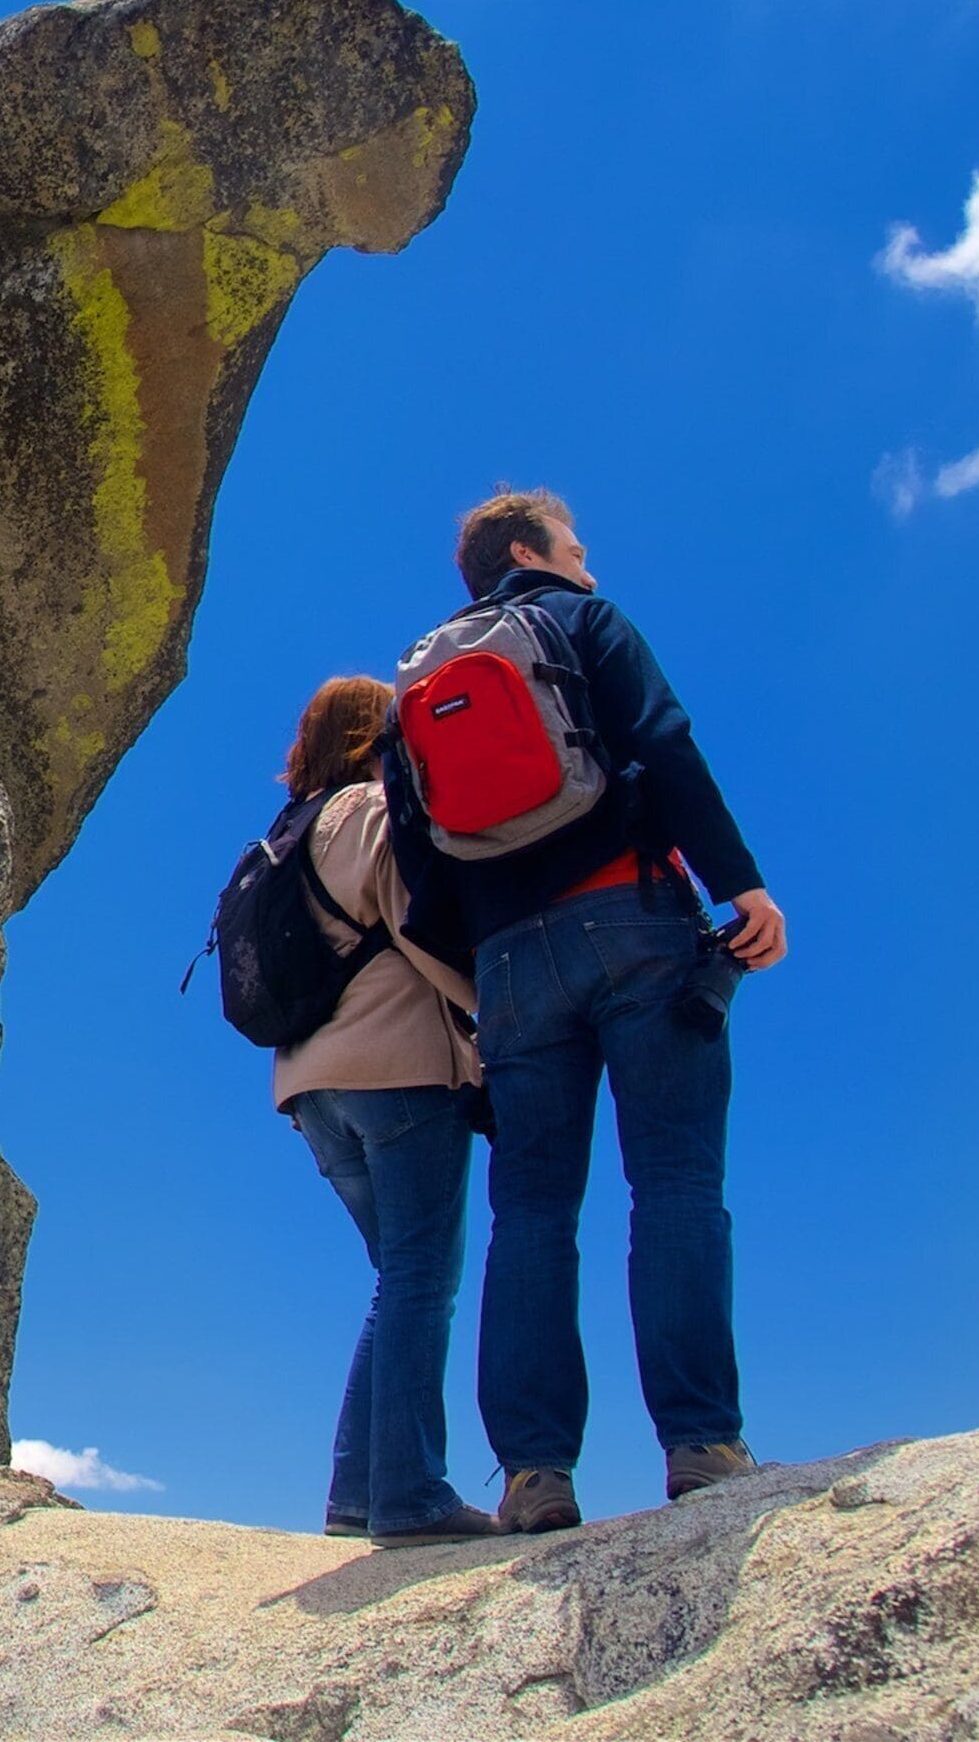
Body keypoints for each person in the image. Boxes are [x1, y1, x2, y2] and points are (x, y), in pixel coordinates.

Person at [389, 490, 788, 1536]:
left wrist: (489, 966)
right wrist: (740, 883)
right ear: (530, 552)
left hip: (513, 965)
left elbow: (418, 867)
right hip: (633, 918)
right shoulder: (585, 622)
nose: (591, 566)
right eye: (577, 547)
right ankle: (702, 1444)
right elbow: (667, 739)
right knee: (676, 1185)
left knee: (528, 1218)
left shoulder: (416, 683)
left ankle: (533, 1476)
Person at [270, 675, 499, 1546]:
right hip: (394, 1071)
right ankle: (409, 1495)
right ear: (379, 734)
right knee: (420, 1280)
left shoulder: (286, 831)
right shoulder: (368, 810)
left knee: (397, 1281)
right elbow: (417, 926)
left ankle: (357, 1497)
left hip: (311, 1091)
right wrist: (491, 1009)